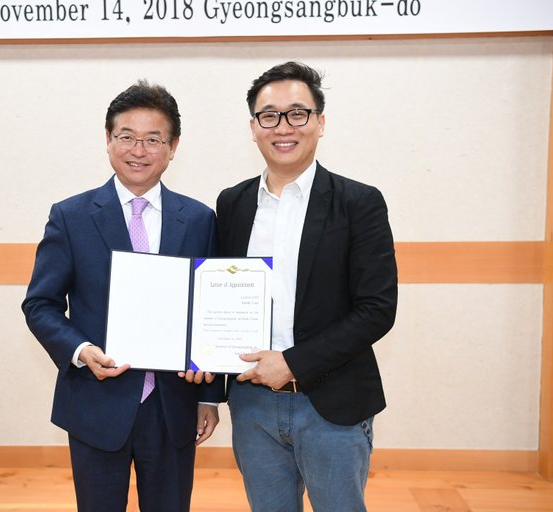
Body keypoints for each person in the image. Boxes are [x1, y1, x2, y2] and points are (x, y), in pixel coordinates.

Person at [22, 80, 225, 512]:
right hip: (96, 401)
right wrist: (79, 349)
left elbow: (213, 310)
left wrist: (210, 394)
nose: (138, 150)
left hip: (174, 405)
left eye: (153, 139)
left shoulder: (201, 219)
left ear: (173, 147)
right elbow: (40, 304)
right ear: (108, 140)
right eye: (126, 137)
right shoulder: (71, 215)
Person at [216, 61, 398, 511]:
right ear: (253, 128)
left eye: (298, 113)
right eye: (269, 115)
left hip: (332, 403)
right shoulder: (232, 203)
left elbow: (377, 308)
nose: (284, 126)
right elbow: (218, 294)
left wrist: (293, 363)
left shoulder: (360, 202)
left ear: (320, 122)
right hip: (252, 404)